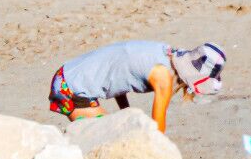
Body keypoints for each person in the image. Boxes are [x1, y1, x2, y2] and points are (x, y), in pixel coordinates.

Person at [47, 39, 227, 132]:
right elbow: (158, 130)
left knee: (112, 131)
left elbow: (119, 71)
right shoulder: (163, 77)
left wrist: (125, 112)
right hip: (70, 88)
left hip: (68, 74)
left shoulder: (164, 53)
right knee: (107, 139)